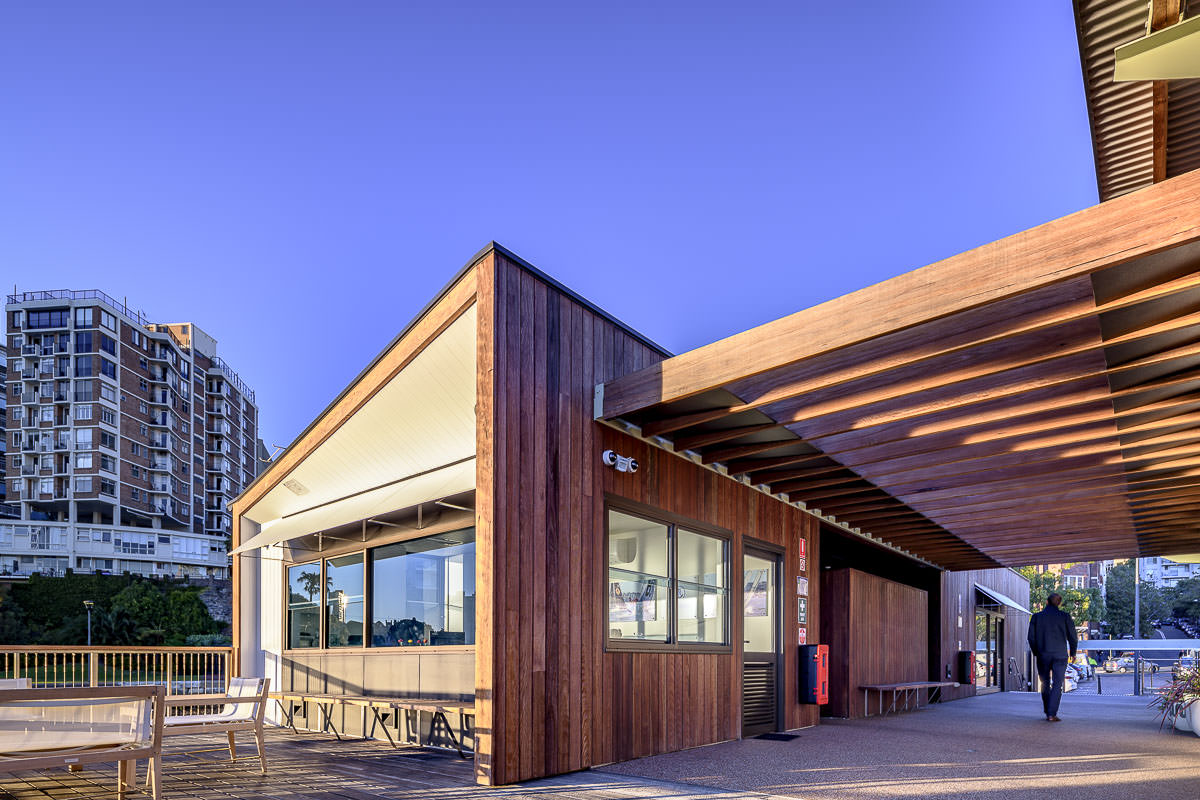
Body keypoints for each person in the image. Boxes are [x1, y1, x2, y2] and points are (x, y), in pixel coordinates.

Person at [1027, 593, 1078, 722]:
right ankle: (1051, 713)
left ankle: (1047, 710)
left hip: (1043, 654)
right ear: (1059, 603)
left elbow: (1031, 638)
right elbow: (1073, 636)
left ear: (1046, 602)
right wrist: (1073, 653)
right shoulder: (1065, 616)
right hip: (1060, 655)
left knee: (1044, 682)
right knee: (1057, 684)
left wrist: (1036, 652)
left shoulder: (1036, 617)